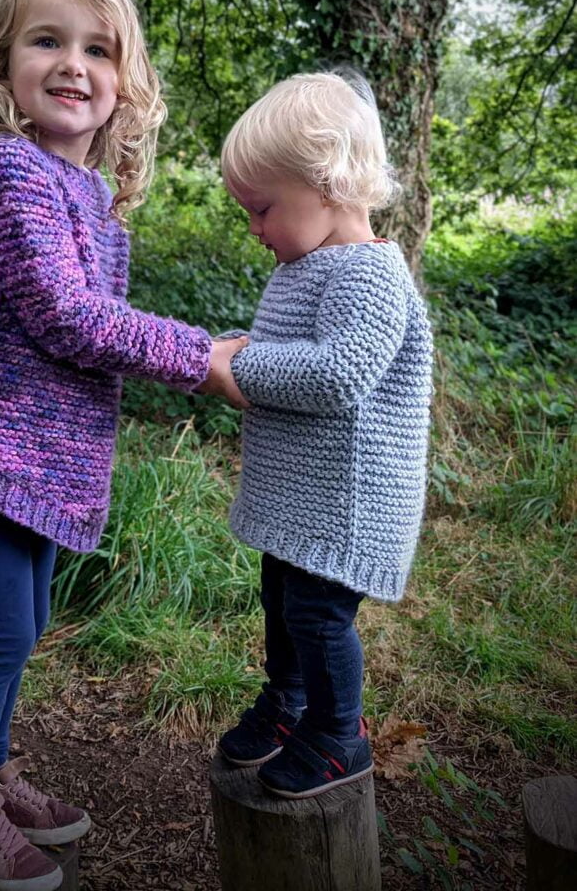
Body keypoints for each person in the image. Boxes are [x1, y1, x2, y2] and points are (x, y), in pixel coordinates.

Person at [0, 0, 246, 891]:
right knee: (1, 633)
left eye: (98, 48)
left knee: (31, 615)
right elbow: (67, 316)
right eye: (46, 40)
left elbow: (82, 334)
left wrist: (195, 351)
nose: (71, 64)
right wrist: (201, 358)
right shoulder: (8, 171)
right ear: (2, 64)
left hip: (37, 463)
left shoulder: (89, 193)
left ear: (127, 83)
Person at [215, 71, 434, 799]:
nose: (253, 228)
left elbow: (337, 374)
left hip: (347, 500)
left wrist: (241, 362)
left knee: (315, 612)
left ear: (331, 184)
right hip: (301, 496)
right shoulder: (308, 265)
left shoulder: (370, 273)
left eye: (262, 208)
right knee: (280, 601)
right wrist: (242, 349)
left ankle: (340, 733)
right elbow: (293, 354)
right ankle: (288, 703)